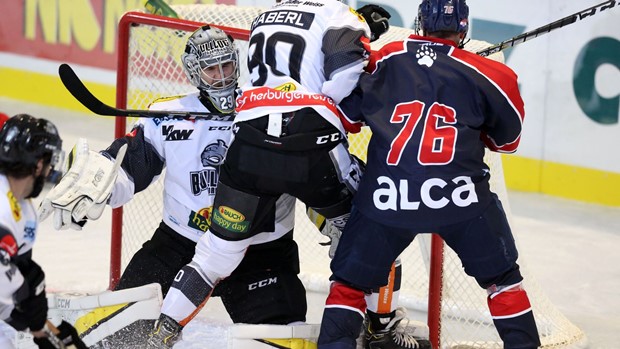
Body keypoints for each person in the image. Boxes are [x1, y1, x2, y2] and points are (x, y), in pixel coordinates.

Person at [139, 1, 414, 348]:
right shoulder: (335, 11)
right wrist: (325, 107)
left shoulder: (264, 16)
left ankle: (159, 335)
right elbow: (344, 68)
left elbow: (299, 52)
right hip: (309, 143)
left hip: (251, 141)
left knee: (214, 255)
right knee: (375, 232)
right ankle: (381, 331)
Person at [39, 26, 313, 347]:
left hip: (261, 252)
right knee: (110, 337)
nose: (222, 76)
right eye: (212, 69)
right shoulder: (169, 117)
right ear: (195, 73)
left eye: (226, 65)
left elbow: (316, 170)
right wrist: (97, 183)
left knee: (286, 343)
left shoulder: (269, 110)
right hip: (179, 245)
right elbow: (130, 167)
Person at [316, 0, 542, 348]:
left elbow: (349, 118)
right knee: (503, 281)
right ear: (464, 28)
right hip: (461, 201)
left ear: (420, 25)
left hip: (387, 199)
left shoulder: (385, 59)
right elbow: (507, 142)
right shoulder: (490, 74)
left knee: (349, 285)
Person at [0, 114, 85, 348]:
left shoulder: (25, 210)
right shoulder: (3, 208)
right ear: (38, 164)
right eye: (49, 162)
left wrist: (44, 332)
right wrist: (27, 292)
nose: (50, 170)